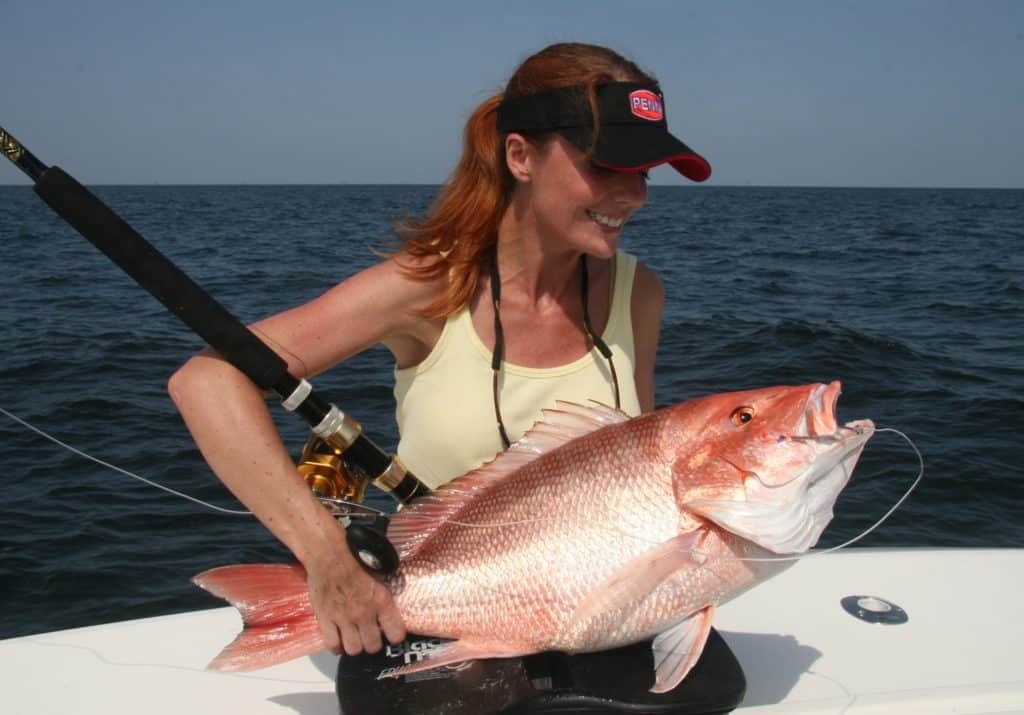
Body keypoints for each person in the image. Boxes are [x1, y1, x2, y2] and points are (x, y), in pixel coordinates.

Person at [167, 42, 710, 663]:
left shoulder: (638, 293)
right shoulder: (428, 288)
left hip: (597, 610)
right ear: (519, 155)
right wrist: (324, 555)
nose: (634, 195)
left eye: (643, 173)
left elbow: (640, 470)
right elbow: (206, 380)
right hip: (452, 616)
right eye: (606, 166)